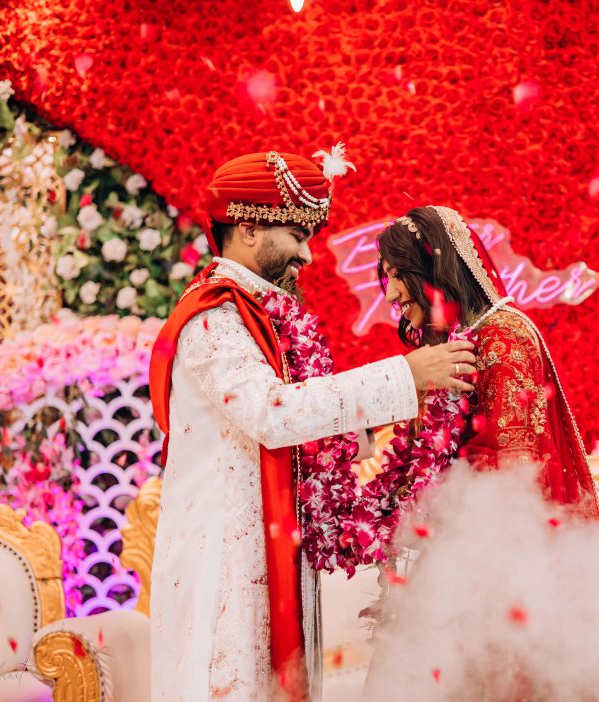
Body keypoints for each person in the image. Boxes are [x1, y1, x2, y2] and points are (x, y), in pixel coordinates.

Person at [148, 153, 476, 702]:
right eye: (296, 234)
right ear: (248, 227)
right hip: (224, 564)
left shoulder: (262, 318)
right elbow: (271, 414)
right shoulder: (214, 320)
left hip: (274, 548)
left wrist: (411, 416)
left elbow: (306, 433)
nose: (306, 252)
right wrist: (401, 376)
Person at [376, 205, 599, 516]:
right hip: (452, 533)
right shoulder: (444, 348)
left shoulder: (502, 335)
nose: (390, 295)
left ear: (434, 269)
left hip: (499, 540)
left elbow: (511, 467)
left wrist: (423, 505)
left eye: (398, 275)